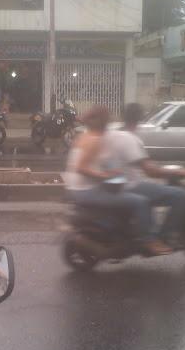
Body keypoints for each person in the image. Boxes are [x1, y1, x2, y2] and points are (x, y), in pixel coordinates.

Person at [65, 105, 173, 255]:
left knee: (124, 193)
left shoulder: (84, 136)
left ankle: (124, 232)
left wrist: (110, 172)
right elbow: (81, 168)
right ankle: (149, 241)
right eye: (107, 120)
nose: (108, 123)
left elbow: (96, 163)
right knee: (140, 202)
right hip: (88, 191)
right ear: (103, 122)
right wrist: (105, 176)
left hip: (77, 188)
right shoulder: (94, 140)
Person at [111, 103, 185, 247]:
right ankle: (165, 236)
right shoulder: (130, 139)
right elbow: (151, 171)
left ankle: (151, 227)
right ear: (140, 119)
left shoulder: (116, 133)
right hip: (131, 186)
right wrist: (176, 172)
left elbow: (141, 164)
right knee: (181, 195)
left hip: (120, 184)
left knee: (155, 189)